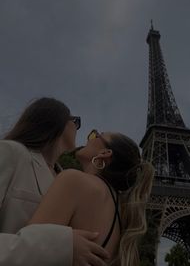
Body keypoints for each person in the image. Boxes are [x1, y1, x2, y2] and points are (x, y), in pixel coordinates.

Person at [0, 98, 109, 266]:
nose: (78, 129)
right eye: (76, 122)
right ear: (58, 122)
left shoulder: (66, 180)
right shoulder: (9, 152)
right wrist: (62, 247)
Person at [28, 129, 155, 265]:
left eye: (95, 135)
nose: (88, 139)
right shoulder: (120, 210)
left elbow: (27, 248)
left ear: (105, 153)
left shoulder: (74, 180)